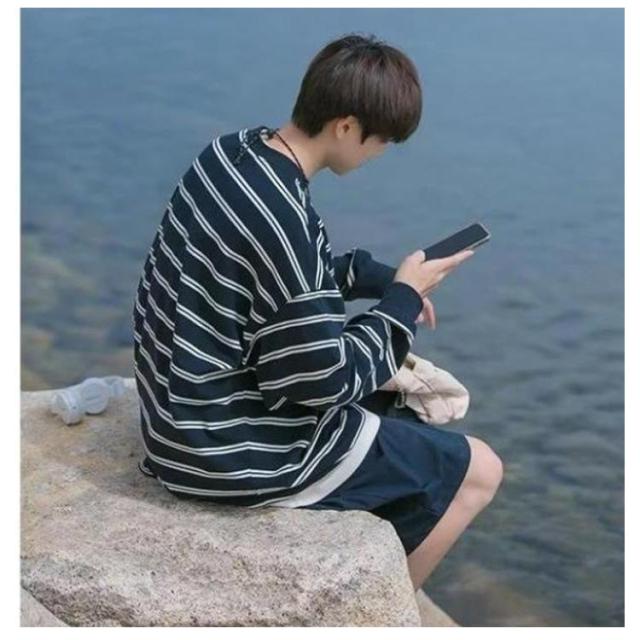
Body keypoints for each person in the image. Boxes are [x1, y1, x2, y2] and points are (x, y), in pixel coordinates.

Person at [132, 32, 503, 593]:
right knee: (477, 470)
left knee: (405, 414)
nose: (381, 153)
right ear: (346, 127)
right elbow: (323, 381)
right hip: (224, 452)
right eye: (382, 140)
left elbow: (271, 278)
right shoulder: (282, 218)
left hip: (176, 414)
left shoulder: (229, 155)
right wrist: (401, 303)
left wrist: (378, 278)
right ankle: (386, 615)